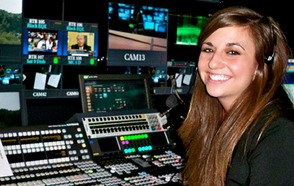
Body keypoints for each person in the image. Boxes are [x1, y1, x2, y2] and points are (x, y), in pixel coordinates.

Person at [178, 6, 294, 185]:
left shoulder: (279, 133)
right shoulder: (212, 119)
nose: (214, 63)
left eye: (233, 52)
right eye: (208, 50)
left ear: (259, 66)